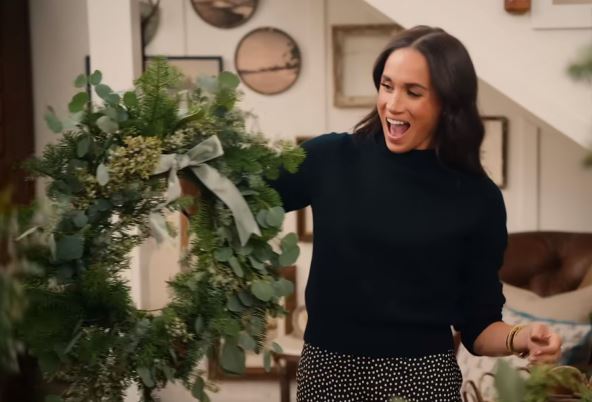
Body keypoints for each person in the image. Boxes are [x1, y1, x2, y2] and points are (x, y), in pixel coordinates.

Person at [269, 26, 562, 402]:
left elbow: (478, 327)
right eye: (387, 86)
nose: (393, 104)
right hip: (327, 376)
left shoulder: (478, 197)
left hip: (423, 383)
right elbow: (243, 198)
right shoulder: (330, 158)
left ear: (448, 102)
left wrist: (523, 337)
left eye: (413, 92)